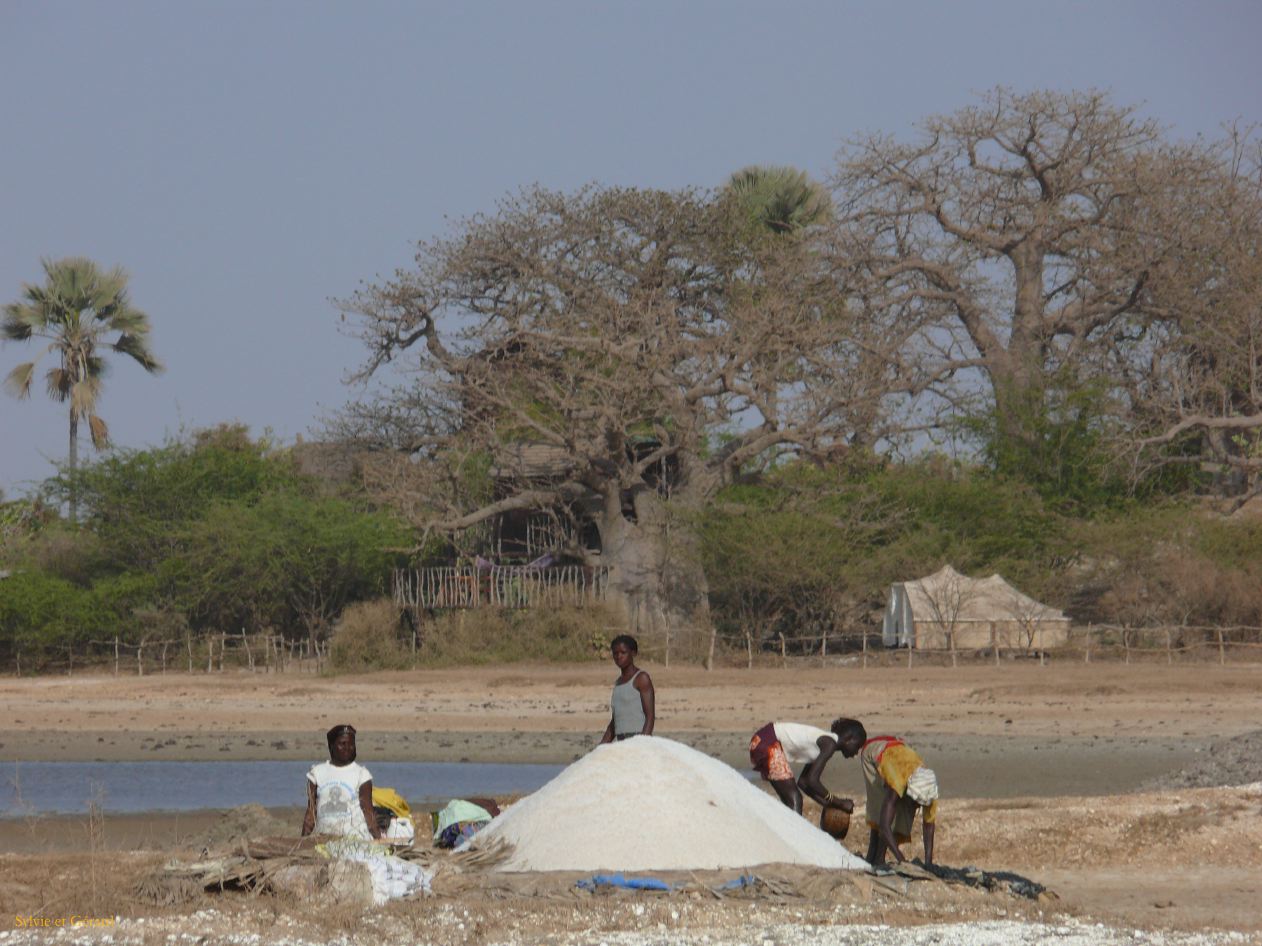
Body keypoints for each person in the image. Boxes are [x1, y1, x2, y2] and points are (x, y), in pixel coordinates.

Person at [749, 718, 867, 814]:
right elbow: (812, 781)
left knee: (791, 800)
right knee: (795, 799)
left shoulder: (825, 743)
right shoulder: (829, 744)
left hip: (761, 740)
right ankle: (794, 838)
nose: (856, 753)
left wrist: (828, 804)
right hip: (767, 743)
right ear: (850, 739)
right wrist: (839, 802)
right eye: (858, 747)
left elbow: (804, 783)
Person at [859, 734, 938, 866]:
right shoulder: (898, 781)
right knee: (882, 809)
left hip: (898, 750)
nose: (918, 807)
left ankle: (875, 858)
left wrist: (928, 863)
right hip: (874, 752)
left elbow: (929, 826)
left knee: (897, 810)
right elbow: (884, 826)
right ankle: (876, 859)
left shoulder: (929, 789)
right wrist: (902, 860)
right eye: (916, 804)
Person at [302, 723, 383, 841]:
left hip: (355, 839)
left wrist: (378, 839)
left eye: (351, 744)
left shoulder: (362, 774)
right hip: (324, 839)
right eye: (342, 744)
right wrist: (301, 842)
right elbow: (311, 812)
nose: (347, 748)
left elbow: (368, 811)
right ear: (331, 746)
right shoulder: (316, 773)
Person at [599, 634, 655, 743]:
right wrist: (600, 748)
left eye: (623, 652)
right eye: (615, 653)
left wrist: (642, 744)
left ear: (633, 653)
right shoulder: (618, 683)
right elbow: (615, 722)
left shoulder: (641, 678)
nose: (619, 656)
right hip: (621, 742)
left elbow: (650, 716)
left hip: (638, 739)